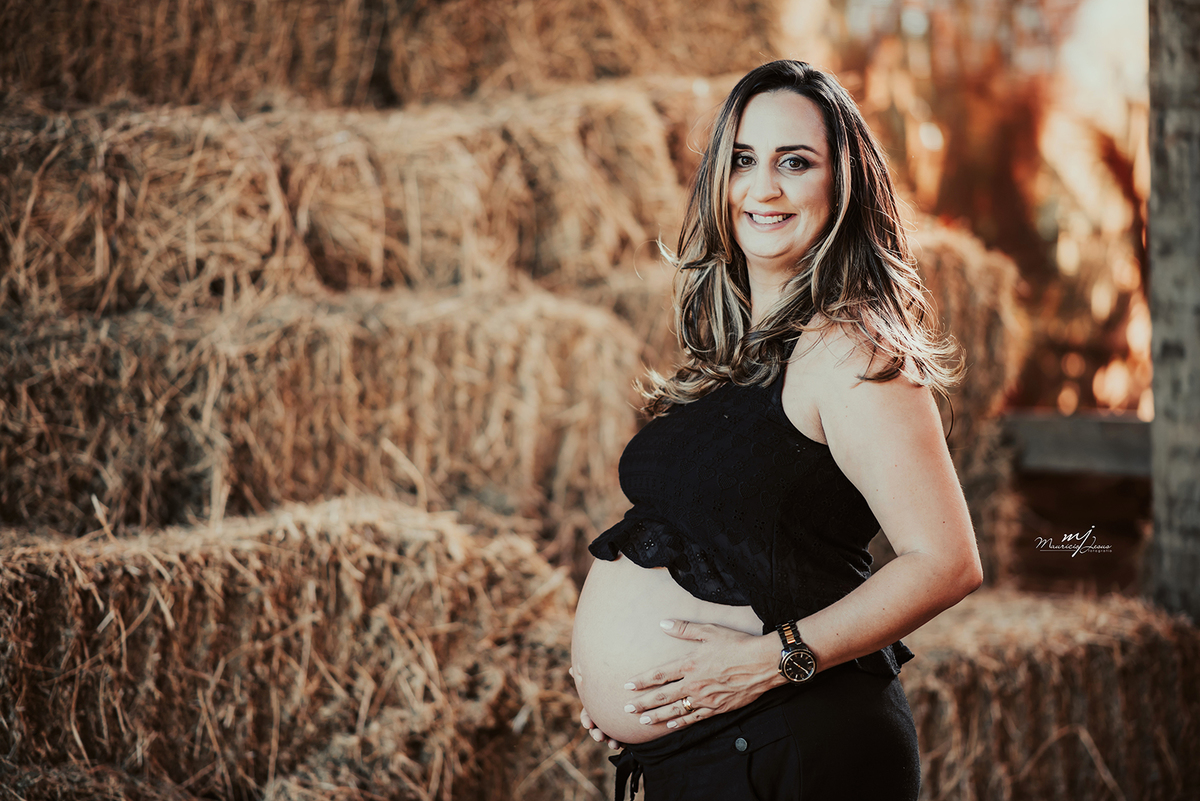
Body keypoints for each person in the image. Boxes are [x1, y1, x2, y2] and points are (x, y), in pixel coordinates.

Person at [568, 59, 984, 801]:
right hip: (721, 751)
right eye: (742, 160)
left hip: (792, 745)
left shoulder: (848, 345)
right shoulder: (736, 356)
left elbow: (946, 561)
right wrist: (635, 702)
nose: (763, 188)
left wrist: (768, 661)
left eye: (795, 162)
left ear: (842, 184)